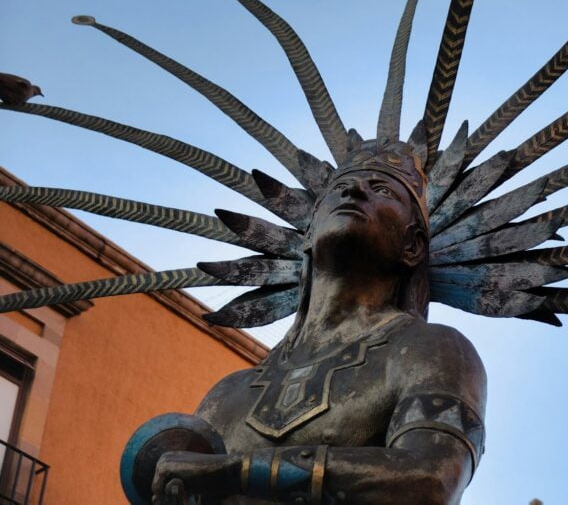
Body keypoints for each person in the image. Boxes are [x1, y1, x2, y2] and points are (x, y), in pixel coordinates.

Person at [151, 144, 486, 504]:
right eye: (341, 188)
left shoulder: (433, 349)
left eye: (383, 191)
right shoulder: (227, 395)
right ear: (309, 234)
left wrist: (238, 471)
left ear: (413, 246)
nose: (355, 191)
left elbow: (430, 479)